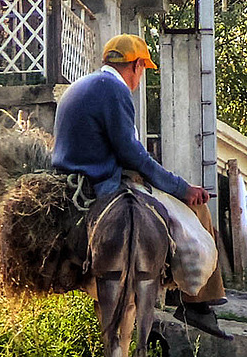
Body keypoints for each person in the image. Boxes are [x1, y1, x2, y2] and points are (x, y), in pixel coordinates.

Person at [53, 33, 231, 340]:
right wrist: (181, 188)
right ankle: (196, 301)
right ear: (135, 66)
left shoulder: (80, 86)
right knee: (196, 210)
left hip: (70, 183)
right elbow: (132, 155)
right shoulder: (115, 91)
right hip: (105, 183)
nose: (140, 77)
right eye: (142, 69)